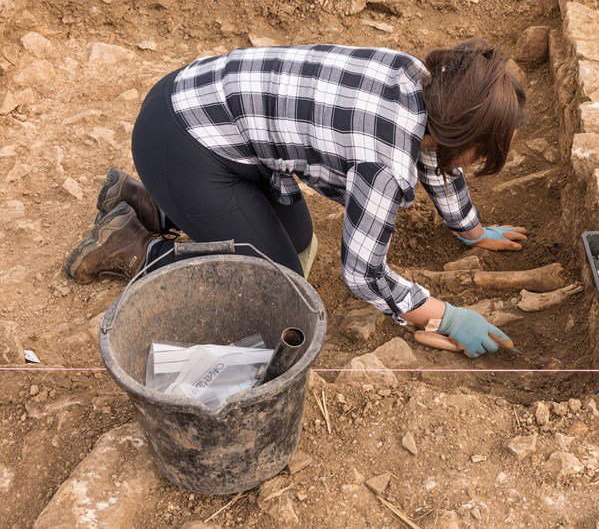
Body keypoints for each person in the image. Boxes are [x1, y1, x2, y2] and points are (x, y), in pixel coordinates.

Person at [64, 39, 529, 358]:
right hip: (184, 137)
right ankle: (132, 244)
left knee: (302, 244)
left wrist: (471, 230)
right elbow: (363, 273)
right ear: (459, 133)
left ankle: (150, 201)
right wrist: (442, 315)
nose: (476, 161)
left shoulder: (420, 80)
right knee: (282, 293)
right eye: (481, 149)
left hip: (203, 107)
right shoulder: (384, 161)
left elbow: (439, 158)